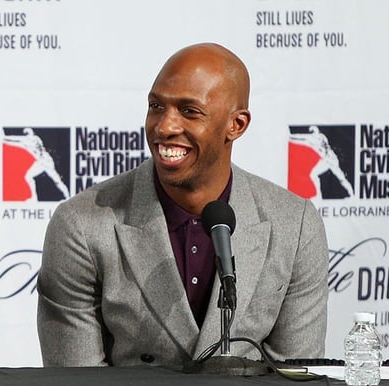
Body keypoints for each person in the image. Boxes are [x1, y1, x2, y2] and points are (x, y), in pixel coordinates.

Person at [37, 43, 328, 367]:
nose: (164, 127)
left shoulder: (296, 224)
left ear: (236, 125)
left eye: (189, 111)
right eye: (156, 106)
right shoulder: (80, 223)